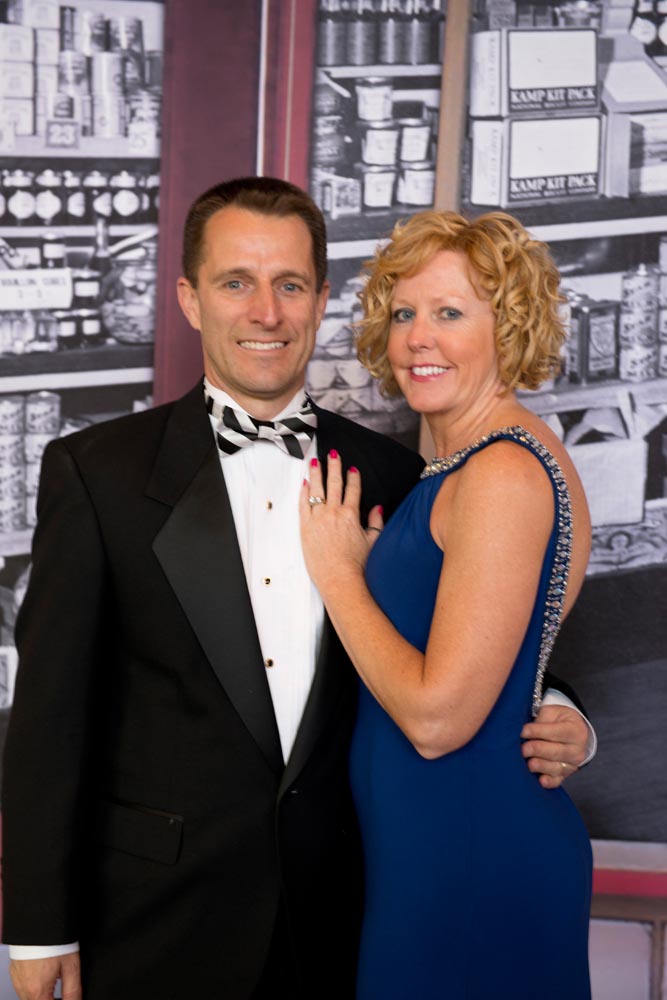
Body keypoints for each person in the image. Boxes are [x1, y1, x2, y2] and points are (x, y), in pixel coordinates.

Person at [2, 179, 592, 1000]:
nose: (265, 312)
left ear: (320, 300)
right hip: (161, 918)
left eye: (288, 285)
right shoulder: (96, 473)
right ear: (190, 299)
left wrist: (559, 708)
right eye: (235, 282)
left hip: (347, 907)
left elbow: (474, 626)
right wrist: (39, 926)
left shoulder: (395, 472)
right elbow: (49, 717)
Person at [299, 209, 593, 998]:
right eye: (403, 314)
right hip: (433, 854)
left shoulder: (500, 474)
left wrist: (339, 576)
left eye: (449, 312)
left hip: (470, 860)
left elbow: (438, 723)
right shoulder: (469, 464)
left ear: (508, 327)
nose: (417, 339)